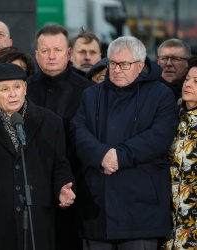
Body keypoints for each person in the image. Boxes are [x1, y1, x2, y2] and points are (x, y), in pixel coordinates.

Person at [0, 63, 76, 250]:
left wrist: (62, 187)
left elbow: (60, 164)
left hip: (37, 223)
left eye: (17, 87)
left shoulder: (51, 122)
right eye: (5, 89)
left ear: (25, 88)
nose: (12, 94)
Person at [70, 36, 179, 250]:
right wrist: (101, 155)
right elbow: (77, 131)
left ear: (140, 65)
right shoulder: (92, 94)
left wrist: (119, 156)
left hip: (141, 210)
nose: (117, 69)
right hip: (97, 207)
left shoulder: (161, 94)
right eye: (112, 63)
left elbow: (159, 136)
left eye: (124, 64)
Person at [27, 23, 93, 249]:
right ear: (36, 54)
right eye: (45, 51)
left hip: (75, 191)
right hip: (29, 192)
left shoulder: (88, 92)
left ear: (69, 53)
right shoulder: (22, 90)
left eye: (57, 50)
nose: (51, 56)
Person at [161, 56, 197, 250]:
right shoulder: (171, 113)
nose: (189, 84)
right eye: (187, 79)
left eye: (196, 81)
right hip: (169, 220)